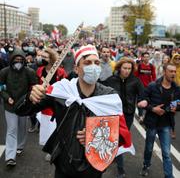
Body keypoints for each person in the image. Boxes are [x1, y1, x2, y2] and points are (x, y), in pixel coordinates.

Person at [15, 44, 131, 178]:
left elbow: (121, 134)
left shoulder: (108, 96)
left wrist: (95, 137)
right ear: (76, 68)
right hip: (64, 166)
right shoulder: (61, 91)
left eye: (96, 62)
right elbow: (21, 110)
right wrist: (30, 97)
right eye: (87, 63)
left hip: (93, 169)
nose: (93, 66)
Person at [102, 57, 144, 178]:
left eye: (129, 69)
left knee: (120, 139)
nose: (127, 71)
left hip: (128, 115)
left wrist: (143, 102)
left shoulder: (135, 81)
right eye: (125, 68)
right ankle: (119, 168)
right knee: (114, 139)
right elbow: (100, 91)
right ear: (119, 68)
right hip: (113, 114)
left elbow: (142, 95)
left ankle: (116, 161)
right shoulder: (111, 80)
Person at [138, 63, 180, 178]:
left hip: (166, 124)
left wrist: (176, 106)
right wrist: (153, 109)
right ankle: (146, 165)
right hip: (152, 123)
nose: (173, 74)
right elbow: (143, 99)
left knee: (166, 153)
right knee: (149, 148)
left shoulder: (176, 88)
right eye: (171, 71)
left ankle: (169, 175)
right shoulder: (153, 86)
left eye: (174, 71)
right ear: (164, 72)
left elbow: (178, 102)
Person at [0, 48, 38, 166]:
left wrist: (29, 99)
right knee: (11, 129)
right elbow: (1, 88)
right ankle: (10, 157)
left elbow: (33, 87)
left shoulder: (29, 72)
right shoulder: (4, 72)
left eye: (20, 60)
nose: (18, 62)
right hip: (9, 106)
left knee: (22, 127)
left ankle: (20, 145)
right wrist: (7, 98)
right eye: (16, 59)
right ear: (11, 60)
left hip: (24, 106)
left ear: (24, 61)